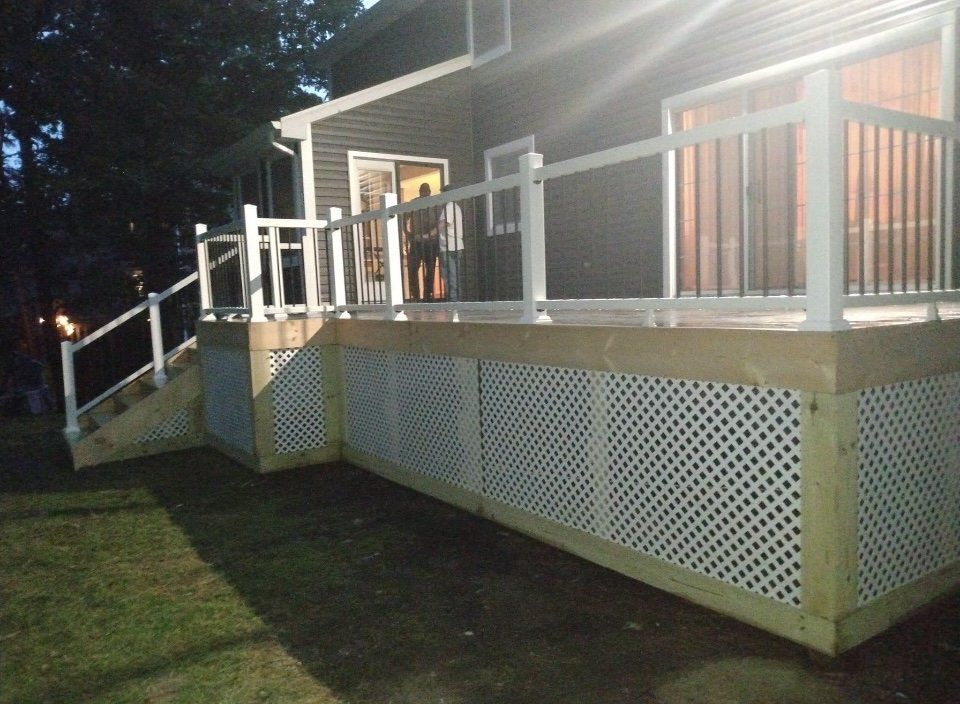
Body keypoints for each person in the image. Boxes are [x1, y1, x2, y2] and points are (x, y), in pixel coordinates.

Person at [402, 183, 439, 302]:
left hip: (431, 243)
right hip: (417, 242)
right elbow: (404, 219)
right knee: (413, 269)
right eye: (422, 191)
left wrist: (434, 235)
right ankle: (416, 296)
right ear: (419, 191)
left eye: (426, 191)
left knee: (430, 270)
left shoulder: (434, 203)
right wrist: (409, 235)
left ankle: (427, 296)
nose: (424, 193)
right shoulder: (414, 203)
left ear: (429, 192)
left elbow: (440, 222)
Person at [435, 185, 465, 302]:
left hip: (449, 247)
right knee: (454, 275)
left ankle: (454, 302)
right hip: (456, 245)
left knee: (449, 276)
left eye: (442, 194)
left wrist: (429, 234)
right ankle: (455, 300)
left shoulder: (449, 206)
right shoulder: (455, 207)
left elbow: (444, 223)